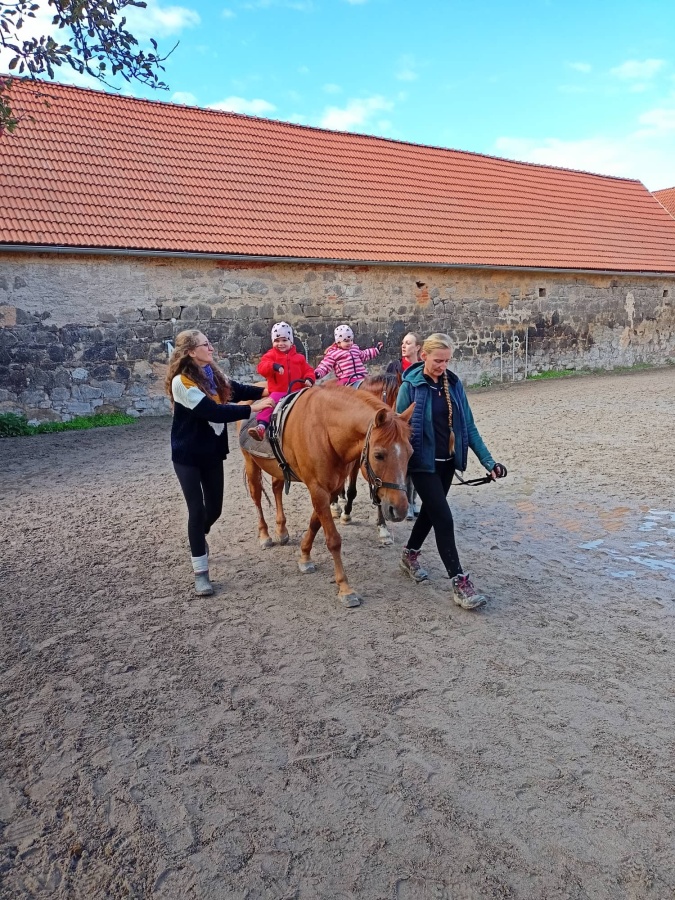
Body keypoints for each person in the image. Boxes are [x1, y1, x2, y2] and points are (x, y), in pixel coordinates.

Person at [395, 333, 507, 610]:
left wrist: (490, 462)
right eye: (438, 360)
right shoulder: (410, 387)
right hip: (422, 464)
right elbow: (397, 430)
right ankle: (459, 582)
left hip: (447, 463)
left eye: (447, 361)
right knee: (444, 518)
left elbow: (469, 427)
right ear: (424, 356)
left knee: (431, 513)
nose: (442, 366)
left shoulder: (454, 385)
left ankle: (409, 555)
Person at [166, 329, 274, 597]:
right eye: (206, 344)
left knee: (214, 510)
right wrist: (253, 408)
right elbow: (212, 411)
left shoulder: (213, 375)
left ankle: (197, 536)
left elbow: (237, 390)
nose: (211, 348)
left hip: (212, 453)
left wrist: (271, 389)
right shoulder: (181, 382)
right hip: (187, 456)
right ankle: (200, 572)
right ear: (191, 352)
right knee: (196, 510)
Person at [248, 321, 315, 441]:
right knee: (269, 405)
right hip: (279, 391)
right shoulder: (270, 356)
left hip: (298, 391)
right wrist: (273, 366)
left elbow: (308, 370)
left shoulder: (299, 358)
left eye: (284, 340)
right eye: (277, 341)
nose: (281, 344)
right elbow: (261, 368)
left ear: (291, 341)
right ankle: (261, 427)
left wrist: (309, 378)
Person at [387, 332, 423, 519]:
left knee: (416, 463)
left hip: (417, 419)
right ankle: (406, 502)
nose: (403, 346)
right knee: (403, 465)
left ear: (418, 347)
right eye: (403, 343)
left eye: (408, 343)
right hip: (399, 419)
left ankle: (413, 500)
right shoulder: (395, 367)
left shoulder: (423, 367)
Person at [314, 324, 383, 386]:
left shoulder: (354, 348)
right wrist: (318, 373)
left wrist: (376, 350)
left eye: (351, 340)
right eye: (346, 341)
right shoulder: (333, 353)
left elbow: (364, 354)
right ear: (338, 342)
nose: (350, 343)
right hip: (347, 379)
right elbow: (325, 365)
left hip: (362, 376)